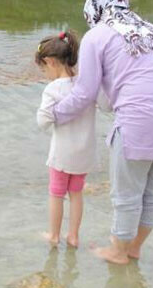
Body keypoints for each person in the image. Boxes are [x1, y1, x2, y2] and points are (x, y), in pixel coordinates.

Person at [52, 0, 153, 264]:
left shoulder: (97, 36)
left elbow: (85, 92)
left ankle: (117, 252)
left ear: (93, 6)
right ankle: (134, 247)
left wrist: (55, 113)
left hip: (141, 118)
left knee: (126, 193)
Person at [35, 30, 101, 249]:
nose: (45, 73)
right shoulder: (85, 86)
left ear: (51, 62)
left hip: (62, 154)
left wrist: (51, 119)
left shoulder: (52, 89)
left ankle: (54, 235)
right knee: (76, 194)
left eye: (43, 68)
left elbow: (43, 120)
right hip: (84, 152)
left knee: (56, 193)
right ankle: (73, 236)